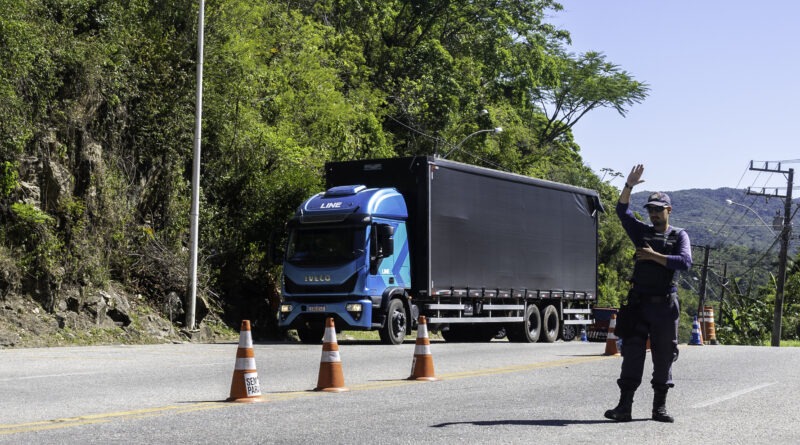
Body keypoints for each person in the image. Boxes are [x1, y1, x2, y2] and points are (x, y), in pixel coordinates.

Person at [604, 164, 692, 423]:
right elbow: (622, 211)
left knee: (664, 356)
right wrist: (629, 186)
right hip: (639, 304)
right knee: (632, 354)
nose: (653, 214)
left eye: (658, 209)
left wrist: (655, 256)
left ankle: (659, 408)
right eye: (651, 210)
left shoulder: (679, 236)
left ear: (669, 210)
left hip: (665, 306)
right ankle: (624, 408)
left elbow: (685, 262)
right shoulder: (641, 232)